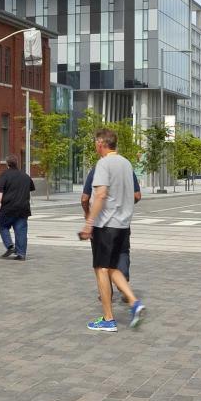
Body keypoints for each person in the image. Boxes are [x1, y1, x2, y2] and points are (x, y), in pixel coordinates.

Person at [79, 129, 145, 331]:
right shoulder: (126, 163)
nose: (94, 146)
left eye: (95, 143)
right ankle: (134, 302)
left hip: (105, 225)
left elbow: (99, 195)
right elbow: (136, 194)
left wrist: (89, 223)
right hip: (123, 225)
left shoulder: (103, 163)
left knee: (100, 269)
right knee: (113, 267)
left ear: (101, 143)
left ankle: (108, 319)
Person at [82, 162, 141, 296]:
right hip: (122, 222)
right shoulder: (128, 171)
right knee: (123, 251)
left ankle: (106, 291)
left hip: (102, 223)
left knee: (102, 260)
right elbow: (137, 195)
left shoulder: (97, 170)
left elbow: (85, 198)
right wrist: (124, 205)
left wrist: (87, 214)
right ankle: (124, 279)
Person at [0, 156, 35, 260]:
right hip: (23, 208)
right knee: (21, 231)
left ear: (7, 164)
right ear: (17, 163)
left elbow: (0, 191)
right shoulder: (25, 176)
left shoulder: (4, 175)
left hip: (8, 208)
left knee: (2, 226)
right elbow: (31, 188)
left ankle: (10, 245)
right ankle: (21, 253)